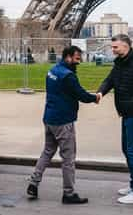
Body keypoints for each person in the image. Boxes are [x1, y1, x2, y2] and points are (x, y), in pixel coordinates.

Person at [26, 45, 100, 204]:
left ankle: (33, 183)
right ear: (68, 57)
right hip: (63, 121)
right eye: (76, 58)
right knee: (68, 158)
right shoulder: (68, 76)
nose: (78, 62)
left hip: (49, 118)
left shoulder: (52, 71)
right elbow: (80, 94)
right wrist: (95, 98)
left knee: (47, 151)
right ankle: (69, 193)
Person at [97, 34, 133, 205]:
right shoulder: (120, 64)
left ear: (126, 47)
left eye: (115, 47)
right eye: (112, 47)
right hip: (126, 114)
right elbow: (110, 80)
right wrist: (100, 92)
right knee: (127, 150)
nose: (112, 50)